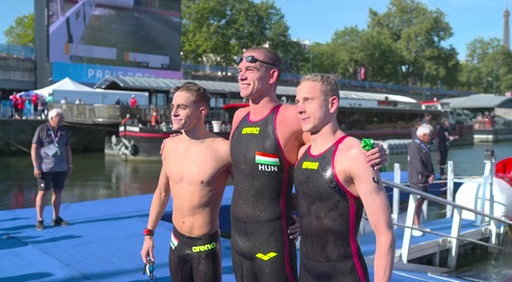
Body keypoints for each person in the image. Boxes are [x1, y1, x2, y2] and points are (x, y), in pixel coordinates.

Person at [230, 46, 387, 281]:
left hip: (289, 246)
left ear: (272, 76)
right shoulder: (240, 119)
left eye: (250, 69)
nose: (241, 75)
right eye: (240, 70)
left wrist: (372, 148)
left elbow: (330, 146)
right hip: (249, 243)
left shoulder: (292, 117)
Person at [293, 74, 395, 281]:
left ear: (332, 104)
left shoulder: (355, 154)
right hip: (306, 271)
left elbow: (385, 234)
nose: (299, 108)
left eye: (308, 100)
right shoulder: (302, 152)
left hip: (344, 273)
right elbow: (317, 198)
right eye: (297, 101)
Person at [140, 82, 231, 282]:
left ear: (202, 112)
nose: (174, 112)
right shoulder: (170, 146)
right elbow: (162, 193)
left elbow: (253, 189)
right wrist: (149, 235)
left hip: (205, 247)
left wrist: (286, 215)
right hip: (176, 242)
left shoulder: (223, 150)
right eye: (173, 107)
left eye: (182, 107)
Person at [31, 108, 73, 230]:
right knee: (42, 192)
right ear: (51, 119)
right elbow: (34, 148)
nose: (62, 123)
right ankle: (39, 219)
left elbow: (67, 149)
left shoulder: (64, 131)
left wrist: (69, 165)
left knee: (58, 191)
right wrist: (36, 166)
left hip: (60, 167)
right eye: (59, 120)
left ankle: (56, 218)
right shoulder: (41, 130)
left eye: (62, 120)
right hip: (45, 167)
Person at [407, 123, 434, 237]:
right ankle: (414, 226)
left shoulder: (423, 146)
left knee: (421, 202)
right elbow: (418, 163)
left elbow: (428, 161)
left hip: (423, 179)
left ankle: (418, 224)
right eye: (429, 135)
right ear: (423, 135)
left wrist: (432, 173)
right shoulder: (414, 146)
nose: (431, 137)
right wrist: (428, 175)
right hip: (418, 179)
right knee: (417, 202)